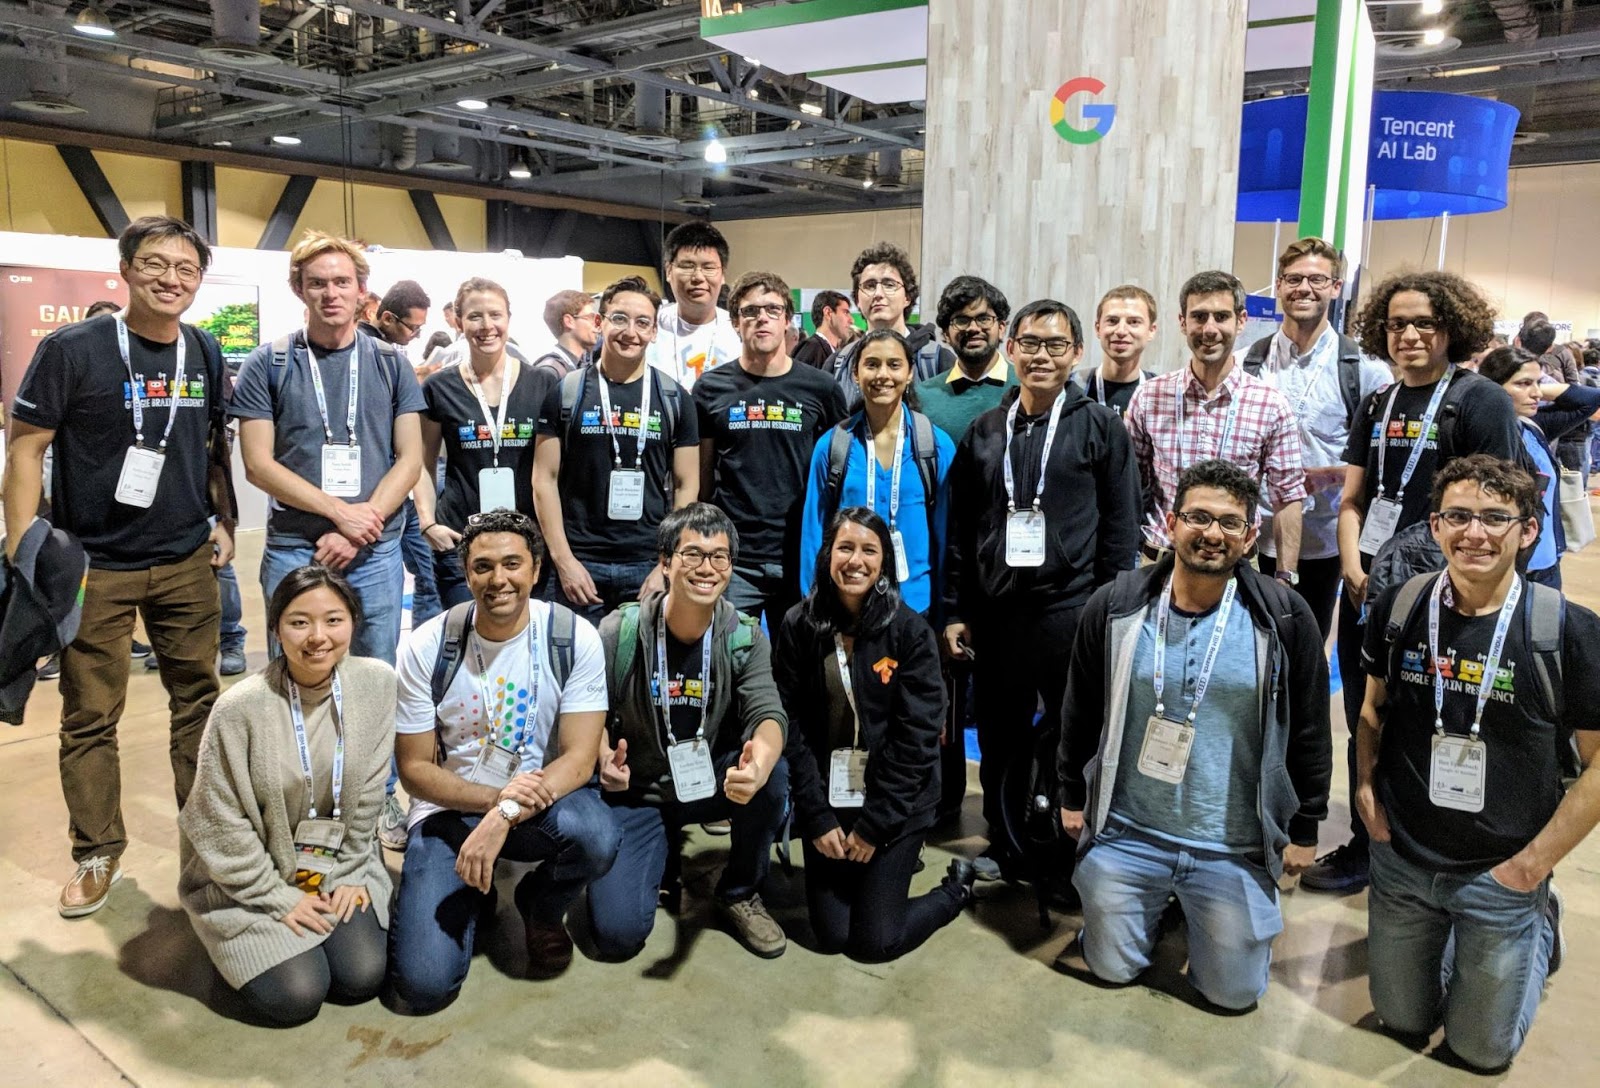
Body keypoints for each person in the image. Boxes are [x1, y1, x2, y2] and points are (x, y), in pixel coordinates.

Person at [4, 215, 236, 918]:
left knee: (200, 705)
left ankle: (208, 840)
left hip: (185, 560)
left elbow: (214, 443)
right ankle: (97, 850)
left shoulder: (203, 348)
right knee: (90, 716)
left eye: (187, 269)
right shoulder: (72, 349)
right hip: (95, 566)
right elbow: (26, 446)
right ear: (127, 269)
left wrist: (224, 520)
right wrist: (22, 546)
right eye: (156, 264)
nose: (171, 279)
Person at [1058, 460, 1331, 1011]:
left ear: (1250, 537)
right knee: (1111, 969)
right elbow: (1080, 708)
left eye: (1230, 523)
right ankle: (1150, 907)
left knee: (1232, 995)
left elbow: (1309, 728)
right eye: (1198, 518)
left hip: (1233, 845)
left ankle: (1201, 913)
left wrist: (1306, 824)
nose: (1212, 534)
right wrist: (1070, 793)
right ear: (1171, 524)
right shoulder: (1116, 606)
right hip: (1130, 830)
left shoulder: (1283, 619)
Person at [1357, 454, 1600, 1072]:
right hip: (1404, 858)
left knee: (1480, 1051)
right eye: (1458, 516)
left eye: (1495, 518)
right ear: (1435, 526)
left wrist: (1531, 866)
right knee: (1402, 1019)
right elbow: (1371, 710)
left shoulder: (1565, 631)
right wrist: (1365, 793)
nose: (1475, 533)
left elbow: (1598, 764)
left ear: (1529, 530)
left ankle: (1540, 926)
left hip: (1503, 869)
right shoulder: (1400, 609)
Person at [1312, 270, 1521, 895]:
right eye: (1397, 323)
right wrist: (1352, 567)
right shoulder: (1377, 404)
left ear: (1451, 328)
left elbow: (1497, 509)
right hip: (1371, 592)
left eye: (1424, 323)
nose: (1409, 335)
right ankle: (1366, 843)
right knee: (1365, 715)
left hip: (1444, 594)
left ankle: (1431, 849)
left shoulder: (1480, 401)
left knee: (1433, 718)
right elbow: (1354, 499)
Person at [386, 511, 619, 1012]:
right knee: (425, 986)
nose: (499, 580)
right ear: (466, 573)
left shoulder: (571, 636)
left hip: (543, 804)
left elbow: (580, 760)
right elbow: (415, 770)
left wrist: (505, 814)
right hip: (450, 811)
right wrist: (497, 802)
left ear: (536, 569)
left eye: (512, 564)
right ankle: (475, 891)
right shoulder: (429, 645)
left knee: (596, 835)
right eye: (483, 566)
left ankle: (541, 907)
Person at [944, 299, 1141, 879]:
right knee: (1000, 733)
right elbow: (962, 528)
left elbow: (1120, 529)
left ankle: (1068, 850)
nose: (1041, 356)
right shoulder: (986, 429)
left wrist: (1109, 613)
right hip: (998, 613)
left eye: (1056, 345)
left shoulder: (1100, 427)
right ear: (1011, 349)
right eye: (1029, 343)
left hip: (1071, 612)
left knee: (1074, 735)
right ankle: (1005, 844)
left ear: (1076, 353)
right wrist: (956, 609)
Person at [178, 566, 393, 1026]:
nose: (318, 637)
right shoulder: (240, 708)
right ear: (276, 629)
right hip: (251, 878)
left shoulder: (376, 683)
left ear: (353, 622)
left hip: (335, 862)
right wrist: (277, 896)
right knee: (298, 995)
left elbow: (371, 793)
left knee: (362, 976)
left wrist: (352, 868)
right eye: (299, 622)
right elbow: (217, 822)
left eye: (333, 620)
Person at [587, 504, 791, 959]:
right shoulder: (620, 631)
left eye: (719, 557)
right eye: (693, 554)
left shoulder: (743, 636)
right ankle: (659, 857)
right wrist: (601, 757)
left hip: (710, 783)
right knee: (617, 936)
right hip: (639, 790)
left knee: (774, 776)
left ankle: (739, 891)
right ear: (665, 562)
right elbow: (589, 713)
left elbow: (768, 714)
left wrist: (757, 766)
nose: (706, 568)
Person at [775, 507, 977, 960]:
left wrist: (873, 827)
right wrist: (816, 817)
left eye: (869, 550)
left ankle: (955, 892)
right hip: (830, 797)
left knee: (874, 943)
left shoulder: (910, 632)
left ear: (884, 561)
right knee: (832, 936)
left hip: (897, 804)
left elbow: (916, 741)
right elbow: (790, 726)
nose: (856, 561)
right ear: (828, 555)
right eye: (845, 548)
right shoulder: (799, 626)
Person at [231, 230, 426, 666]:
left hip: (374, 548)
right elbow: (258, 465)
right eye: (317, 283)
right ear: (299, 289)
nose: (331, 293)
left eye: (342, 282)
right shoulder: (269, 363)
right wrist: (341, 514)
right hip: (295, 546)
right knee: (296, 669)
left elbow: (410, 459)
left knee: (375, 669)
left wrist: (358, 528)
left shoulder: (392, 364)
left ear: (361, 291)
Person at [1240, 238, 1392, 638]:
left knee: (1305, 648)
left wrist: (1330, 475)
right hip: (1251, 539)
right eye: (1293, 279)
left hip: (1323, 542)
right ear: (1278, 284)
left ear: (1335, 287)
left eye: (1317, 279)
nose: (1303, 288)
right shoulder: (1245, 363)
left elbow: (1382, 464)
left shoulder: (1365, 370)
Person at [533, 276, 699, 623]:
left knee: (640, 659)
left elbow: (687, 485)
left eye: (643, 322)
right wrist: (564, 561)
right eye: (619, 318)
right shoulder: (566, 393)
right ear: (599, 322)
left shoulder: (674, 398)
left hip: (647, 564)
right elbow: (543, 480)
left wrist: (666, 564)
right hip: (580, 563)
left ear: (654, 332)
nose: (630, 332)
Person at [693, 271, 848, 628]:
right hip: (734, 558)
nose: (761, 318)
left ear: (787, 320)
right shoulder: (710, 388)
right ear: (735, 322)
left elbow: (837, 470)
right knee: (728, 655)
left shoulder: (821, 388)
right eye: (750, 311)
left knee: (799, 660)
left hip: (802, 555)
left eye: (772, 310)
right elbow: (702, 478)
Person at [1125, 271, 1307, 571]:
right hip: (1161, 561)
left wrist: (1286, 577)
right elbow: (1129, 488)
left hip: (1234, 564)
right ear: (1183, 322)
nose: (1209, 329)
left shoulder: (1271, 405)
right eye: (1199, 317)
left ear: (1241, 321)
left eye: (1221, 317)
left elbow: (1287, 498)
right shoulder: (1149, 397)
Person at [801, 329, 955, 619]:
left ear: (909, 373)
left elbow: (947, 535)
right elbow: (814, 532)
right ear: (856, 374)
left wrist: (949, 613)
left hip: (916, 606)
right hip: (848, 604)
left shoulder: (935, 446)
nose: (883, 375)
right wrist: (814, 602)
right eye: (872, 364)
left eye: (894, 365)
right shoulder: (834, 446)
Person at [416, 278, 550, 608]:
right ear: (459, 322)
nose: (487, 326)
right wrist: (427, 523)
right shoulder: (439, 387)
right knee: (465, 630)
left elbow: (554, 471)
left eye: (495, 315)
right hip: (461, 537)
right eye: (475, 316)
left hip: (526, 541)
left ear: (508, 319)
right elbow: (421, 463)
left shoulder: (543, 383)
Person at [1477, 345, 1600, 589]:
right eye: (1523, 384)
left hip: (1547, 563)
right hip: (1508, 568)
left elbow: (1591, 400)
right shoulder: (1482, 434)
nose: (1536, 393)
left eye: (1537, 383)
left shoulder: (1533, 425)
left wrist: (1537, 387)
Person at [359, 279, 440, 629]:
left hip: (395, 493)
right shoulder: (375, 358)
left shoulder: (392, 359)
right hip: (384, 498)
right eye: (412, 328)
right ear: (388, 318)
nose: (415, 336)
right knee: (428, 576)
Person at [828, 242, 956, 410]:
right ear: (857, 299)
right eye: (869, 286)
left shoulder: (938, 361)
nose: (878, 294)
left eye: (889, 285)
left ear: (907, 297)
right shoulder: (838, 363)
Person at [914, 275, 1017, 445]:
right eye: (961, 320)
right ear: (946, 334)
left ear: (1001, 328)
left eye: (984, 319)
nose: (973, 328)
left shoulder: (1027, 388)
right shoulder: (923, 396)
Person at [647, 221, 741, 390]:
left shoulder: (739, 331)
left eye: (708, 267)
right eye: (687, 266)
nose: (698, 277)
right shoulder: (648, 326)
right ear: (668, 271)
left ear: (722, 275)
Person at [1077, 284, 1160, 418]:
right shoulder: (1071, 387)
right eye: (1112, 321)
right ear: (1098, 328)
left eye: (1134, 322)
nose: (1121, 331)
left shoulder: (1162, 393)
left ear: (1151, 330)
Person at [531, 289, 600, 379]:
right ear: (569, 321)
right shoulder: (550, 373)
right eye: (590, 317)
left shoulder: (581, 366)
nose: (597, 324)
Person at [793, 290, 855, 370]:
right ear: (828, 313)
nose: (851, 320)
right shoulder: (812, 349)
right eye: (845, 312)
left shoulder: (828, 350)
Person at [359, 280, 430, 349]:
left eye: (418, 328)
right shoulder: (362, 347)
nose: (418, 336)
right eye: (413, 328)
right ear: (388, 319)